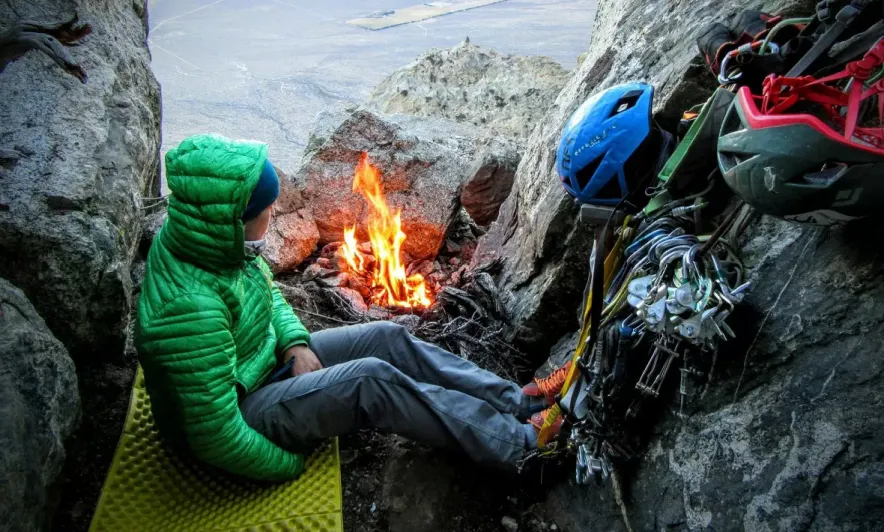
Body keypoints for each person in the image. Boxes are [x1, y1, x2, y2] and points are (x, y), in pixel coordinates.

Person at [135, 134, 568, 481]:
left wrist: (293, 343)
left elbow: (267, 294)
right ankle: (522, 449)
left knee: (387, 337)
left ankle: (518, 403)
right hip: (242, 415)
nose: (274, 216)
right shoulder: (189, 308)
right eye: (267, 210)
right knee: (371, 381)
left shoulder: (216, 246)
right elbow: (214, 435)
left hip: (262, 365)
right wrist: (287, 466)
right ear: (231, 220)